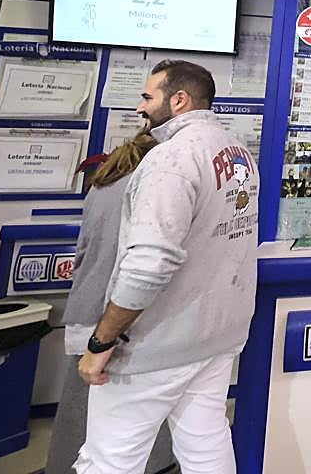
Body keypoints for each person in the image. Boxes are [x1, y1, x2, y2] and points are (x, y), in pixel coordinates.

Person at [74, 60, 259, 474]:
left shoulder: (171, 159)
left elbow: (149, 263)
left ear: (179, 100)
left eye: (147, 97)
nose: (140, 107)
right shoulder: (237, 152)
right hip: (215, 336)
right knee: (205, 444)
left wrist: (102, 341)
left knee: (110, 457)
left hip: (155, 344)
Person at [45, 130, 175, 474]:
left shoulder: (105, 181)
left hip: (87, 308)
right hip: (118, 317)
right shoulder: (152, 188)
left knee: (80, 416)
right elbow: (149, 262)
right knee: (121, 422)